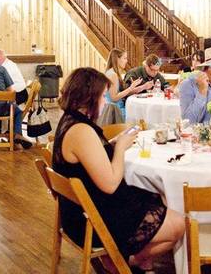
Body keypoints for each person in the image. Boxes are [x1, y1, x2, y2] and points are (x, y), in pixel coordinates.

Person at [52, 67, 184, 270]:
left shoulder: (70, 121)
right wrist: (120, 148)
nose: (105, 101)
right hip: (94, 221)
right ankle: (124, 261)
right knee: (181, 225)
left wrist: (111, 145)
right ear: (89, 98)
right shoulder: (81, 131)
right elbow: (111, 184)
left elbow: (89, 160)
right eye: (103, 96)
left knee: (158, 196)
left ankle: (133, 262)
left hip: (80, 212)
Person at [105, 48, 151, 120]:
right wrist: (131, 88)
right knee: (139, 116)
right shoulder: (113, 75)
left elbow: (121, 92)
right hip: (116, 110)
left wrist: (139, 87)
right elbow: (114, 98)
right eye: (125, 58)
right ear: (117, 59)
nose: (126, 61)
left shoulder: (112, 72)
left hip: (114, 108)